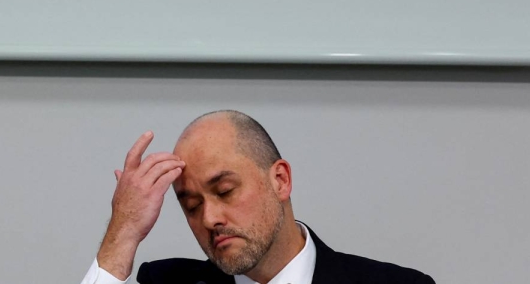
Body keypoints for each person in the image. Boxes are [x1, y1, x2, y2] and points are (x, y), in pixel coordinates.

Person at [80, 111, 435, 284]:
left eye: (225, 191)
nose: (209, 218)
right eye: (191, 206)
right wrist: (122, 233)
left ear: (280, 180)